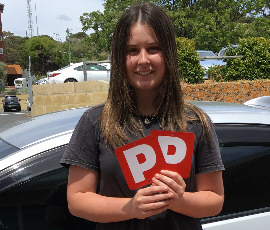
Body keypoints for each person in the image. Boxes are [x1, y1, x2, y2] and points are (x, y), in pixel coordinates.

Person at [60, 2, 224, 230]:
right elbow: (77, 199)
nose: (143, 60)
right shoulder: (95, 121)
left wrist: (179, 200)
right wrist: (131, 208)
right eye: (132, 50)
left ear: (168, 53)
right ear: (120, 57)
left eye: (154, 48)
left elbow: (214, 199)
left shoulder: (196, 122)